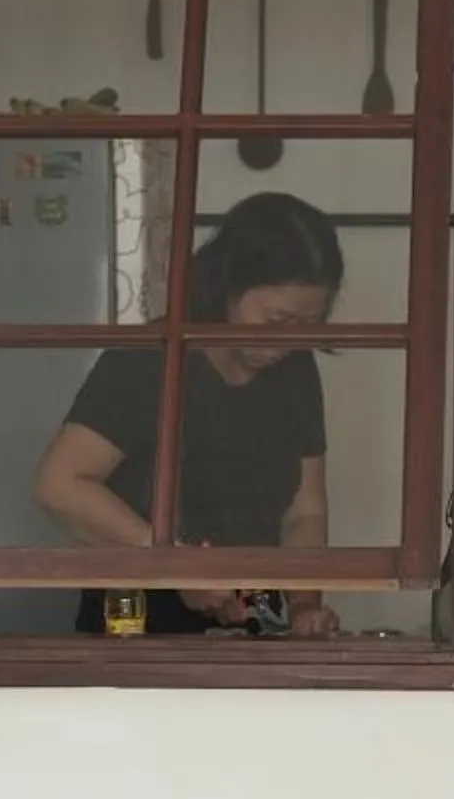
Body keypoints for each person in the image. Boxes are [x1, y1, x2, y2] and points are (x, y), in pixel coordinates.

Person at [35, 191, 345, 637]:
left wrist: (303, 608)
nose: (288, 343)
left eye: (309, 326)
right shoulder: (151, 360)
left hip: (253, 618)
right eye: (275, 321)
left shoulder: (295, 371)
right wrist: (178, 567)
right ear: (227, 289)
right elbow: (59, 485)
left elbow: (304, 512)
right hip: (136, 621)